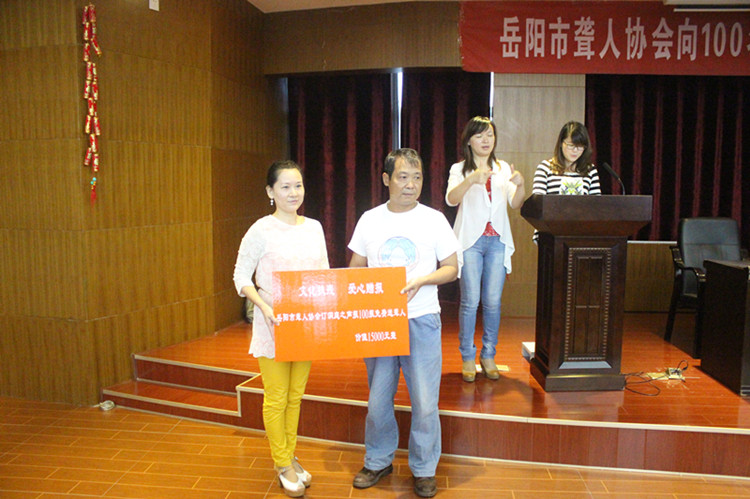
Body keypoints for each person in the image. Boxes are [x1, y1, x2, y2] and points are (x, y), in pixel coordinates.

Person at [348, 148, 459, 498]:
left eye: (417, 177)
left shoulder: (434, 219)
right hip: (380, 321)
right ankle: (378, 460)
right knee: (378, 400)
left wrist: (423, 280)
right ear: (386, 179)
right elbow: (355, 269)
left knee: (425, 401)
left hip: (422, 319)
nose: (411, 185)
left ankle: (424, 469)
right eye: (403, 177)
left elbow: (452, 268)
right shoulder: (369, 220)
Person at [233, 160, 329, 498]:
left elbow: (324, 273)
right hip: (272, 321)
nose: (293, 192)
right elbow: (240, 276)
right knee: (276, 396)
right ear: (270, 191)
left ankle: (289, 454)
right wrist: (263, 307)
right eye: (285, 186)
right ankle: (282, 462)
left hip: (305, 324)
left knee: (295, 395)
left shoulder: (314, 227)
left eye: (298, 185)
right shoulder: (261, 229)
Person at [445, 116, 526, 383]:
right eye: (479, 135)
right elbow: (451, 199)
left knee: (493, 302)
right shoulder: (459, 169)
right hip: (470, 241)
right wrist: (471, 180)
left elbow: (515, 203)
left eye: (490, 135)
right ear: (469, 140)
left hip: (497, 241)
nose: (486, 140)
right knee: (470, 302)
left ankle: (489, 355)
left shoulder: (502, 168)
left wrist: (521, 184)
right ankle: (468, 356)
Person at [532, 121, 601, 196]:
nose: (575, 150)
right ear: (561, 143)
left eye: (580, 146)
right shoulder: (545, 168)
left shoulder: (590, 170)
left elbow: (596, 201)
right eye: (571, 145)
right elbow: (538, 200)